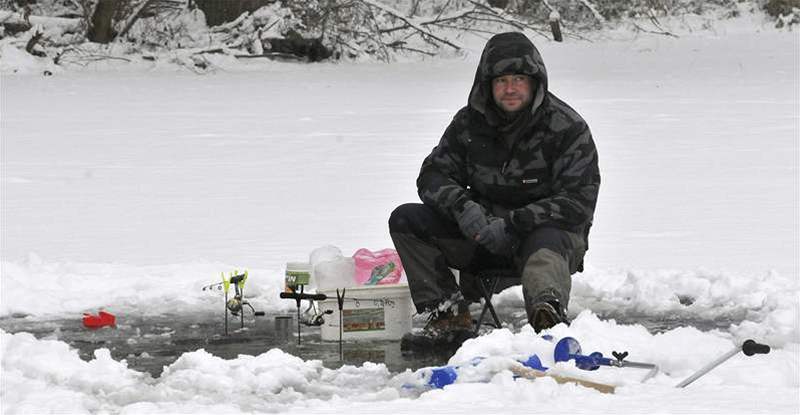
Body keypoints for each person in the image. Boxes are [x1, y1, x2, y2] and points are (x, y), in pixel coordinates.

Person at [388, 32, 600, 347]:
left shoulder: (566, 128)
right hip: (481, 236)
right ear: (487, 84)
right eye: (501, 80)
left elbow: (578, 202)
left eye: (518, 79)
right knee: (406, 219)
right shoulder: (468, 124)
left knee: (548, 240)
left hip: (542, 240)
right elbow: (432, 175)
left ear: (535, 82)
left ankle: (548, 320)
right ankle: (446, 314)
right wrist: (463, 208)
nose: (510, 88)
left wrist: (515, 223)